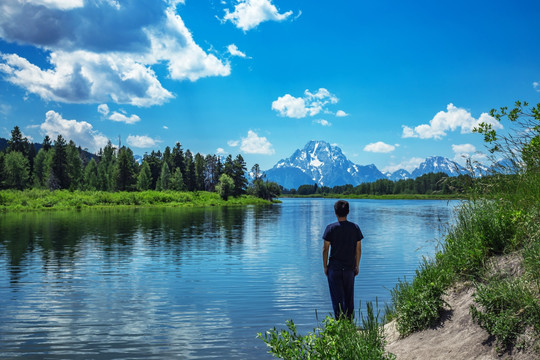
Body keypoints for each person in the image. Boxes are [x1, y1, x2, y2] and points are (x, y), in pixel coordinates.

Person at [322, 200, 363, 320]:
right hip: (349, 268)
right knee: (349, 298)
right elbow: (358, 250)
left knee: (337, 299)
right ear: (348, 212)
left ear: (335, 212)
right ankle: (350, 326)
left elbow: (325, 249)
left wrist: (325, 266)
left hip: (334, 268)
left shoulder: (330, 228)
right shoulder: (355, 228)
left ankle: (340, 326)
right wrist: (357, 265)